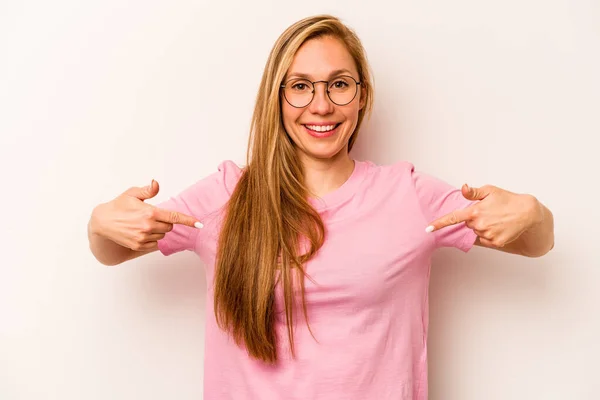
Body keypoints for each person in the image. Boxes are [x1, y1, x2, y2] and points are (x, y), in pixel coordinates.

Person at [87, 14, 554, 400]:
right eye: (301, 86)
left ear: (362, 96)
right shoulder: (226, 195)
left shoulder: (408, 196)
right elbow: (114, 250)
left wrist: (533, 215)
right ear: (278, 98)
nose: (322, 105)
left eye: (339, 85)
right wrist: (101, 224)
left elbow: (538, 243)